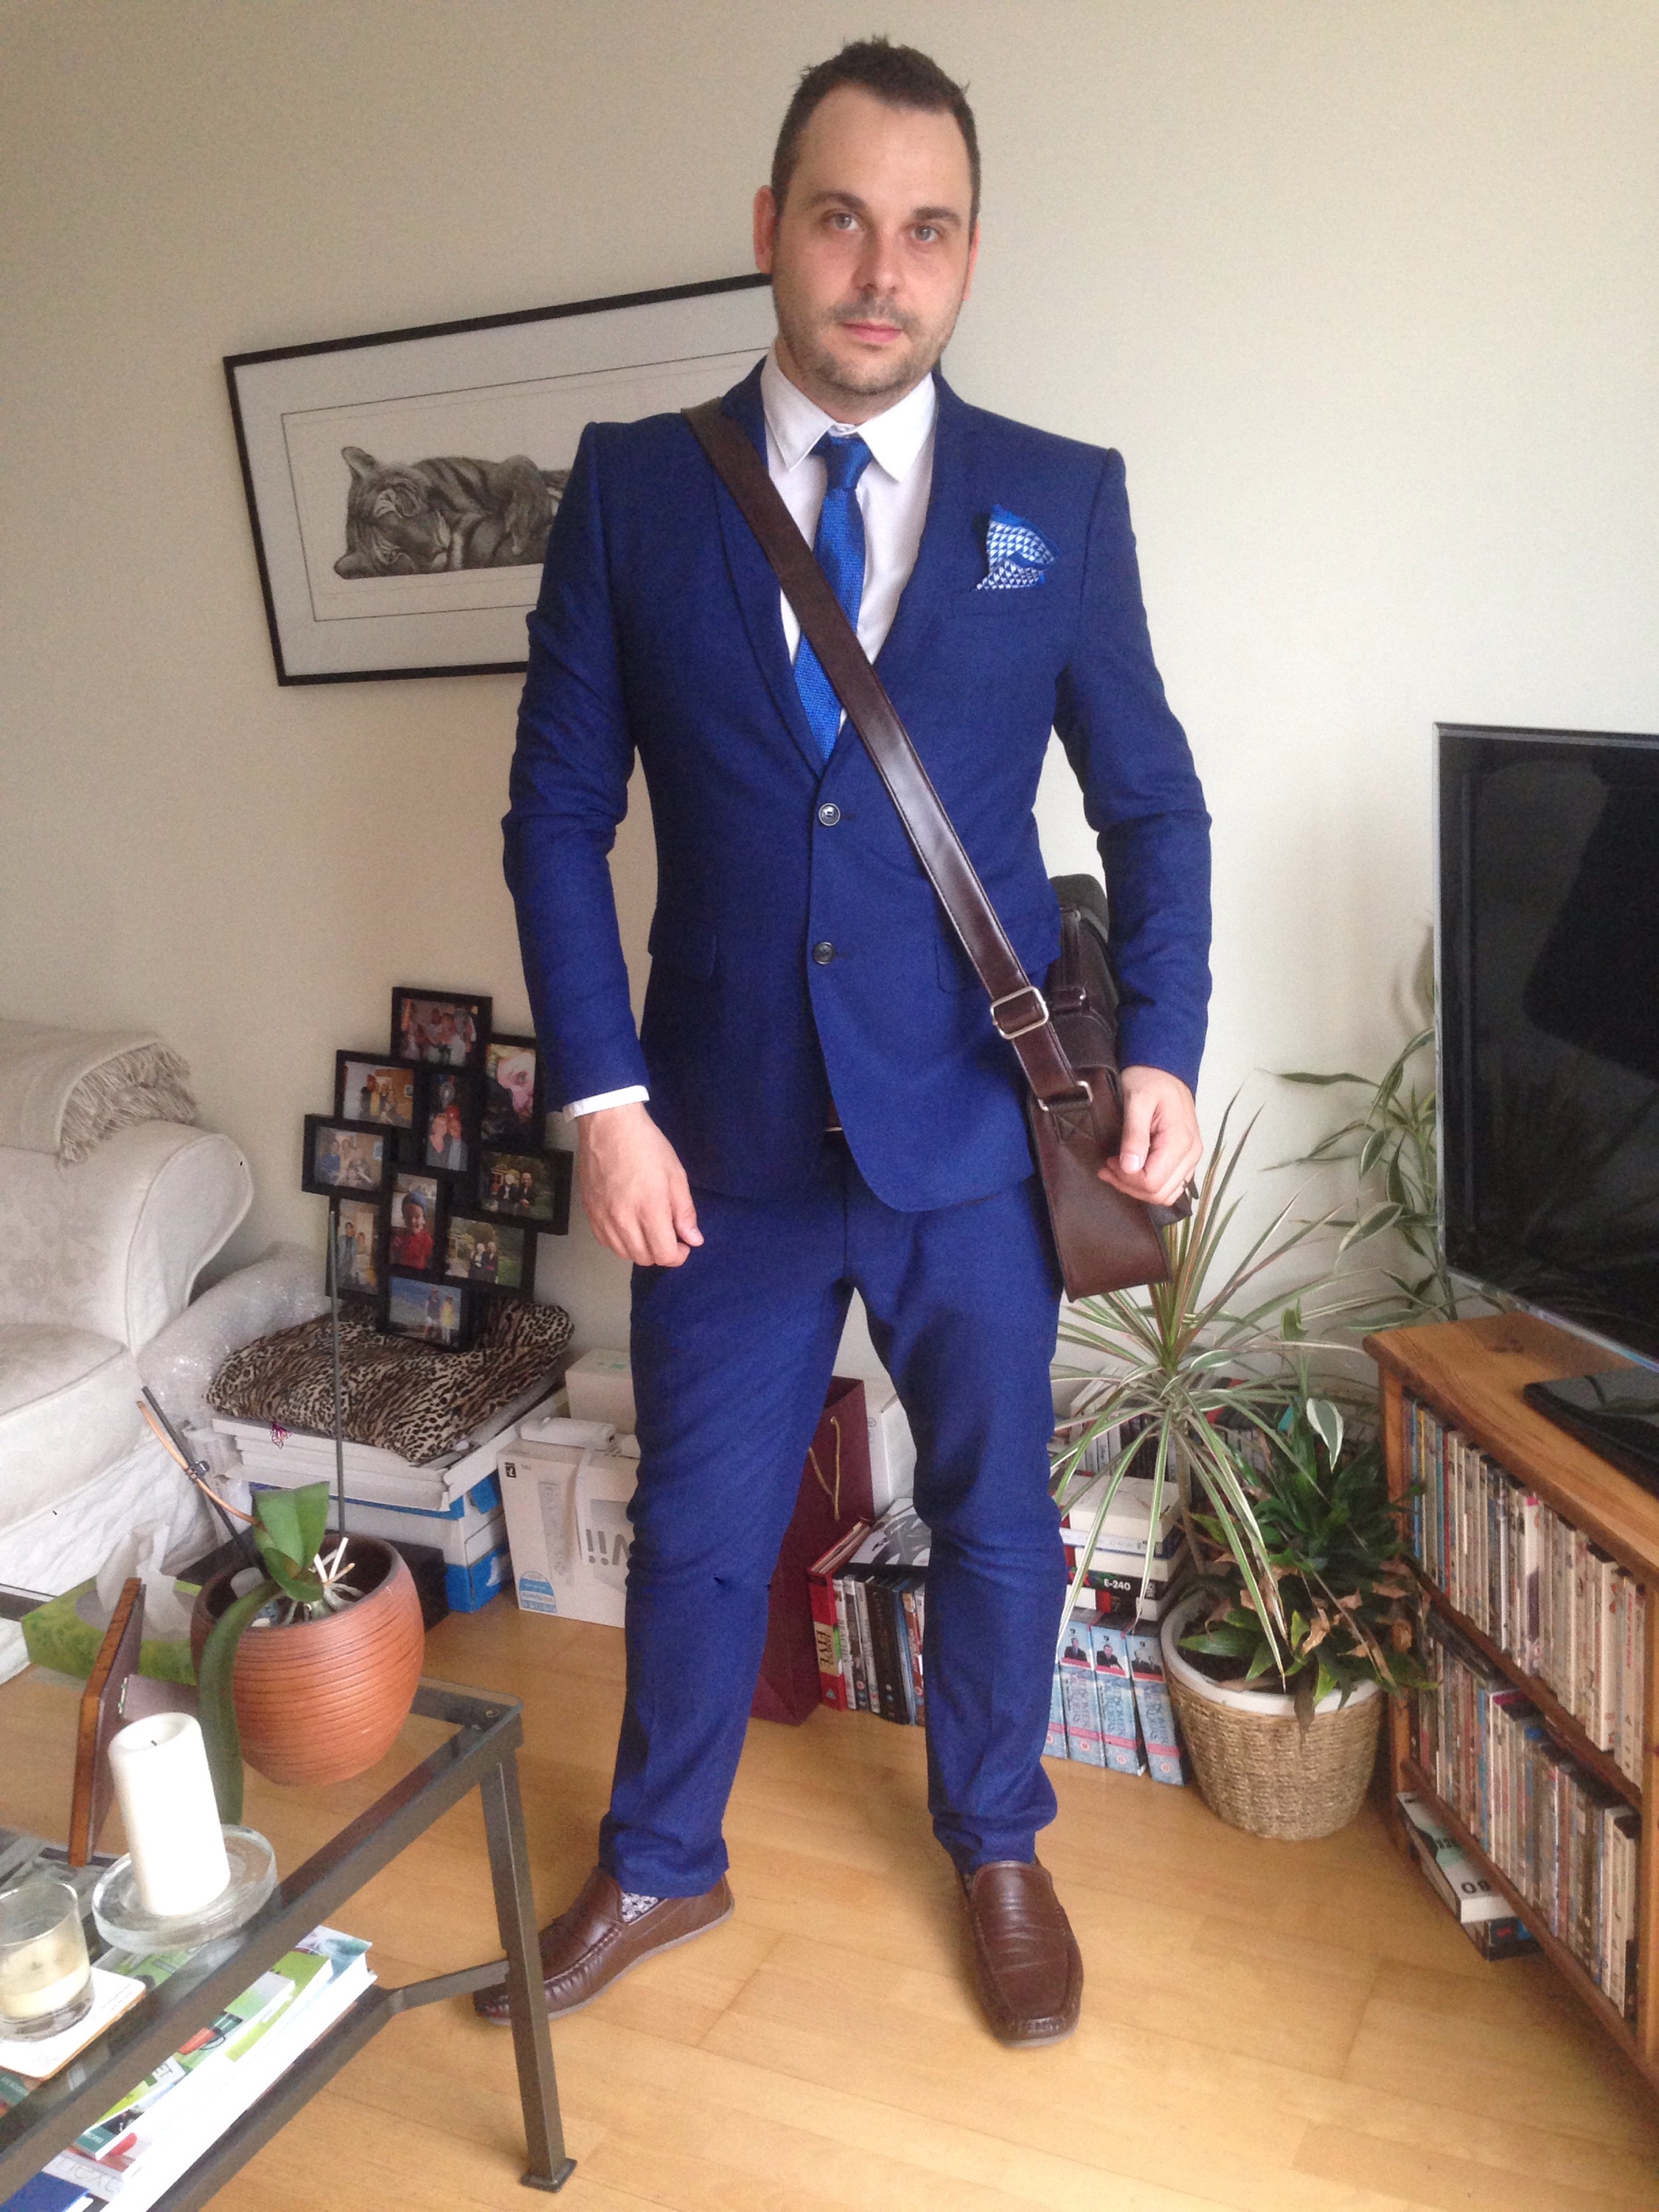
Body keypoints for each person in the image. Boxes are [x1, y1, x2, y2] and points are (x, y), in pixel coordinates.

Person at [490, 38, 1209, 2048]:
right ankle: (661, 1856)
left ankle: (998, 1843)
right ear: (769, 230)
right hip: (712, 1141)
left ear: (968, 255)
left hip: (971, 1133)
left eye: (927, 230)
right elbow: (555, 812)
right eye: (840, 219)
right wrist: (604, 1099)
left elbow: (1149, 800)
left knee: (994, 1514)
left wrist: (1164, 1042)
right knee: (697, 1522)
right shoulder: (637, 490)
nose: (881, 271)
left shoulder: (1057, 499)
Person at [391, 1190, 432, 1271]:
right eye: (409, 1216)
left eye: (417, 1217)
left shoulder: (427, 1240)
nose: (412, 1221)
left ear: (424, 1219)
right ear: (404, 1217)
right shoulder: (399, 1237)